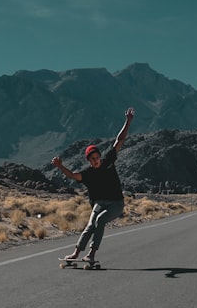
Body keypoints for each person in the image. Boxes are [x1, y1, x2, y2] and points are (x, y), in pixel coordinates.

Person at [51, 107, 135, 264]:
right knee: (90, 225)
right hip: (98, 203)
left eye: (97, 157)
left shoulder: (108, 161)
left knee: (100, 221)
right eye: (92, 158)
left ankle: (92, 254)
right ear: (88, 160)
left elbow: (119, 140)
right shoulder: (87, 173)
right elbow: (73, 175)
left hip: (116, 203)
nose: (96, 160)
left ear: (100, 156)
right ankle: (76, 253)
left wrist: (128, 122)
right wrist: (60, 166)